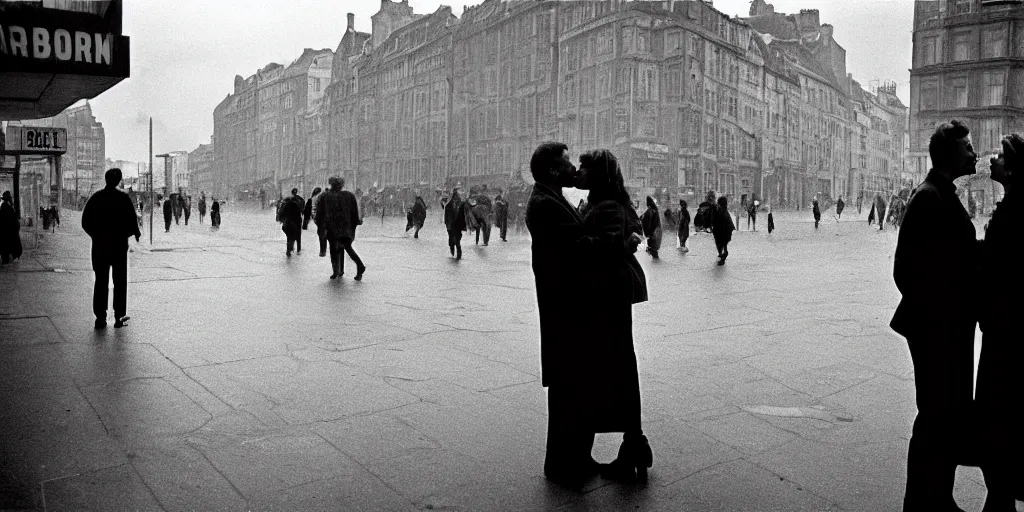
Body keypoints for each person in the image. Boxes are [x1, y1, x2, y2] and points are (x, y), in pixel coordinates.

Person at [890, 120, 981, 511]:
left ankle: (936, 496)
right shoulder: (929, 197)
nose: (975, 154)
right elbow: (905, 270)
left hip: (945, 327)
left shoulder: (941, 193)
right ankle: (924, 500)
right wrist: (941, 313)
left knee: (943, 415)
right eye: (968, 147)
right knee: (934, 416)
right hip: (936, 330)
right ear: (950, 155)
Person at [572, 149, 651, 484]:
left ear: (598, 175)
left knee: (617, 365)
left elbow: (605, 246)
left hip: (607, 295)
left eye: (584, 168)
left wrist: (572, 240)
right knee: (619, 365)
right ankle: (633, 445)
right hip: (607, 294)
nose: (578, 172)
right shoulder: (603, 203)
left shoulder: (606, 206)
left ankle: (634, 444)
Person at [974, 134, 1024, 510]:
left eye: (1000, 156)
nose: (992, 160)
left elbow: (1000, 265)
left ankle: (1003, 488)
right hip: (1006, 327)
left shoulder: (1016, 210)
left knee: (1000, 409)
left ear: (1011, 168)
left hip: (1008, 333)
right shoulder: (1014, 205)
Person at [81, 169, 141, 329]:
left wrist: (96, 235)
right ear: (119, 180)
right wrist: (130, 234)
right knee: (120, 281)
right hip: (119, 247)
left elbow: (85, 221)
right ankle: (119, 317)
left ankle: (100, 317)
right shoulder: (123, 198)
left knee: (101, 281)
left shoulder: (96, 198)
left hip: (100, 247)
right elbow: (132, 222)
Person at [315, 177, 365, 280]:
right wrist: (355, 223)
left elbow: (320, 213)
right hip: (344, 227)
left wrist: (320, 225)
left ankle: (337, 270)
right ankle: (344, 269)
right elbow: (355, 212)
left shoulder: (325, 196)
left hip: (332, 227)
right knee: (345, 247)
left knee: (334, 248)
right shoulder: (349, 195)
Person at [444, 187, 468, 259]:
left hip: (458, 226)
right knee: (451, 241)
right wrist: (447, 224)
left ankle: (458, 257)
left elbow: (464, 215)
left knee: (457, 241)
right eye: (455, 196)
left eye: (457, 196)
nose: (456, 198)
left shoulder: (461, 205)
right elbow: (446, 217)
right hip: (451, 226)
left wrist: (464, 225)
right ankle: (452, 251)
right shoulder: (448, 205)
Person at [280, 188, 304, 256]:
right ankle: (298, 249)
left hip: (289, 221)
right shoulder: (300, 200)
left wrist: (282, 219)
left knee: (289, 236)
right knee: (298, 235)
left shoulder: (288, 202)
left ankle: (289, 249)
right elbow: (302, 210)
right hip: (297, 221)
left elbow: (283, 212)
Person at [0, 191, 22, 264]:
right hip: (8, 230)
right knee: (8, 245)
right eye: (10, 198)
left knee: (7, 245)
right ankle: (6, 260)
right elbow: (9, 219)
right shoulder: (6, 207)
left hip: (8, 230)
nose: (11, 199)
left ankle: (7, 259)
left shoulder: (6, 206)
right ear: (8, 199)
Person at [711, 196, 735, 265]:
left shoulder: (719, 211)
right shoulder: (725, 210)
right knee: (724, 243)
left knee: (719, 244)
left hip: (720, 230)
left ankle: (721, 255)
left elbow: (714, 221)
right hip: (727, 230)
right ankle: (724, 253)